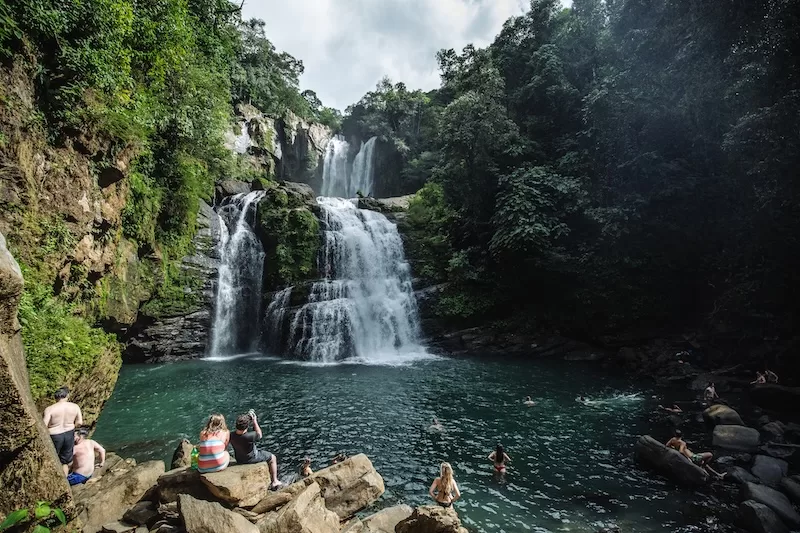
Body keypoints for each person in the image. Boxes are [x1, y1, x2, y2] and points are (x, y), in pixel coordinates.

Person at [230, 411, 282, 490]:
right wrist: (255, 421)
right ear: (247, 426)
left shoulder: (231, 435)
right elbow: (259, 435)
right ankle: (275, 481)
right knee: (273, 457)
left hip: (239, 459)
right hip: (251, 458)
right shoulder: (249, 436)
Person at [43, 386, 83, 475]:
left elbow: (44, 425)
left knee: (52, 457)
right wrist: (72, 426)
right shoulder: (75, 406)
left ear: (55, 397)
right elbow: (79, 422)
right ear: (67, 396)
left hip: (54, 435)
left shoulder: (50, 409)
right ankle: (64, 480)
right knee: (65, 462)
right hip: (69, 433)